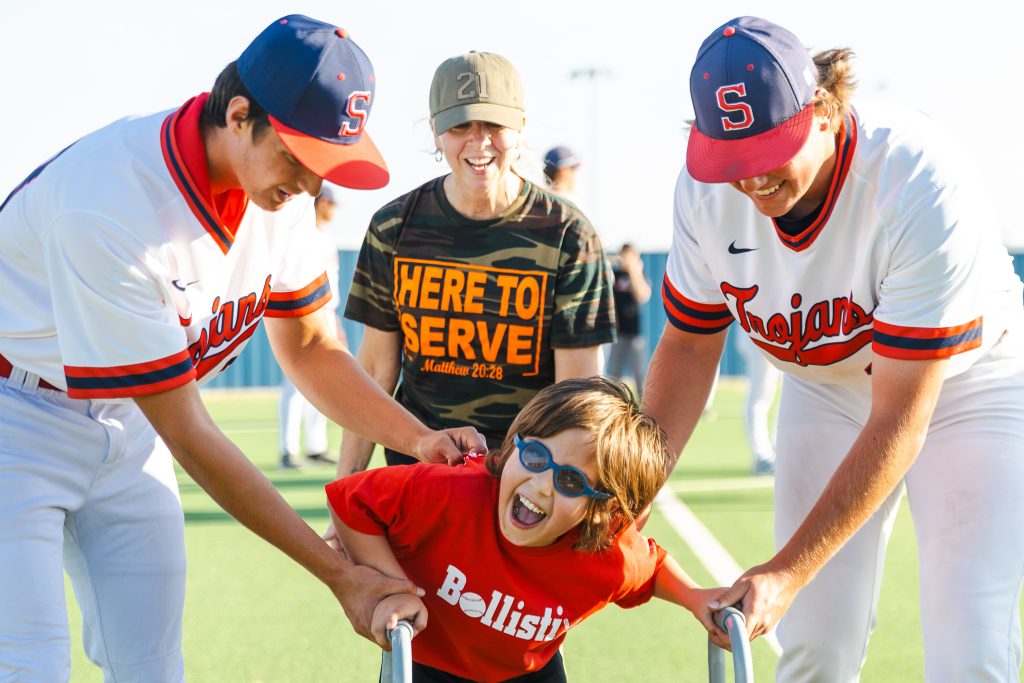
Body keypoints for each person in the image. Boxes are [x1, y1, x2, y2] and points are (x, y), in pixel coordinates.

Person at [0, 15, 486, 681]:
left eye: (326, 163)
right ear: (238, 113)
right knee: (28, 664)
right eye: (299, 156)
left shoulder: (281, 199)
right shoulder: (110, 204)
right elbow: (192, 436)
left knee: (149, 664)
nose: (311, 184)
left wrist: (418, 435)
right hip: (14, 420)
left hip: (126, 419)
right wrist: (340, 576)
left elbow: (313, 346)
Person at [644, 15, 1024, 682]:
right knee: (814, 645)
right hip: (825, 385)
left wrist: (789, 568)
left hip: (970, 383)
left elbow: (900, 415)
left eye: (767, 149)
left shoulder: (918, 177)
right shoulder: (704, 191)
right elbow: (688, 344)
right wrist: (639, 484)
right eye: (732, 158)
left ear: (822, 108)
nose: (751, 178)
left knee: (970, 643)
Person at [327, 377, 728, 681]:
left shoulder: (604, 552)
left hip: (529, 673)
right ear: (514, 444)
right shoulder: (451, 492)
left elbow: (650, 567)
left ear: (600, 513)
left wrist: (696, 597)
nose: (540, 485)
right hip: (430, 663)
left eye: (571, 482)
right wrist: (393, 589)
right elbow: (351, 502)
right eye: (535, 456)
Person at [333, 51, 615, 482]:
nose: (479, 142)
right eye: (460, 125)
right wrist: (346, 484)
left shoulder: (568, 236)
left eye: (494, 126)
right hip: (420, 479)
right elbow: (375, 369)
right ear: (435, 131)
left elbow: (578, 397)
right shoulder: (394, 227)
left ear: (520, 126)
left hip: (526, 486)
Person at [278, 185, 343, 468]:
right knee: (295, 385)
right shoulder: (302, 236)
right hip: (302, 313)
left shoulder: (326, 239)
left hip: (327, 313)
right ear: (321, 203)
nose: (334, 210)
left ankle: (316, 446)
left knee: (325, 384)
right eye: (331, 203)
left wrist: (335, 322)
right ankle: (288, 450)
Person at [606, 243, 652, 396]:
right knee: (614, 375)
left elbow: (643, 295)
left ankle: (644, 407)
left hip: (635, 334)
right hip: (617, 334)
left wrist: (634, 271)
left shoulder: (639, 275)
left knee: (640, 374)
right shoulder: (615, 275)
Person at [739, 336, 780, 476]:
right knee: (760, 398)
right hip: (760, 334)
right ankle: (762, 456)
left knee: (789, 392)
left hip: (785, 335)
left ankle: (778, 450)